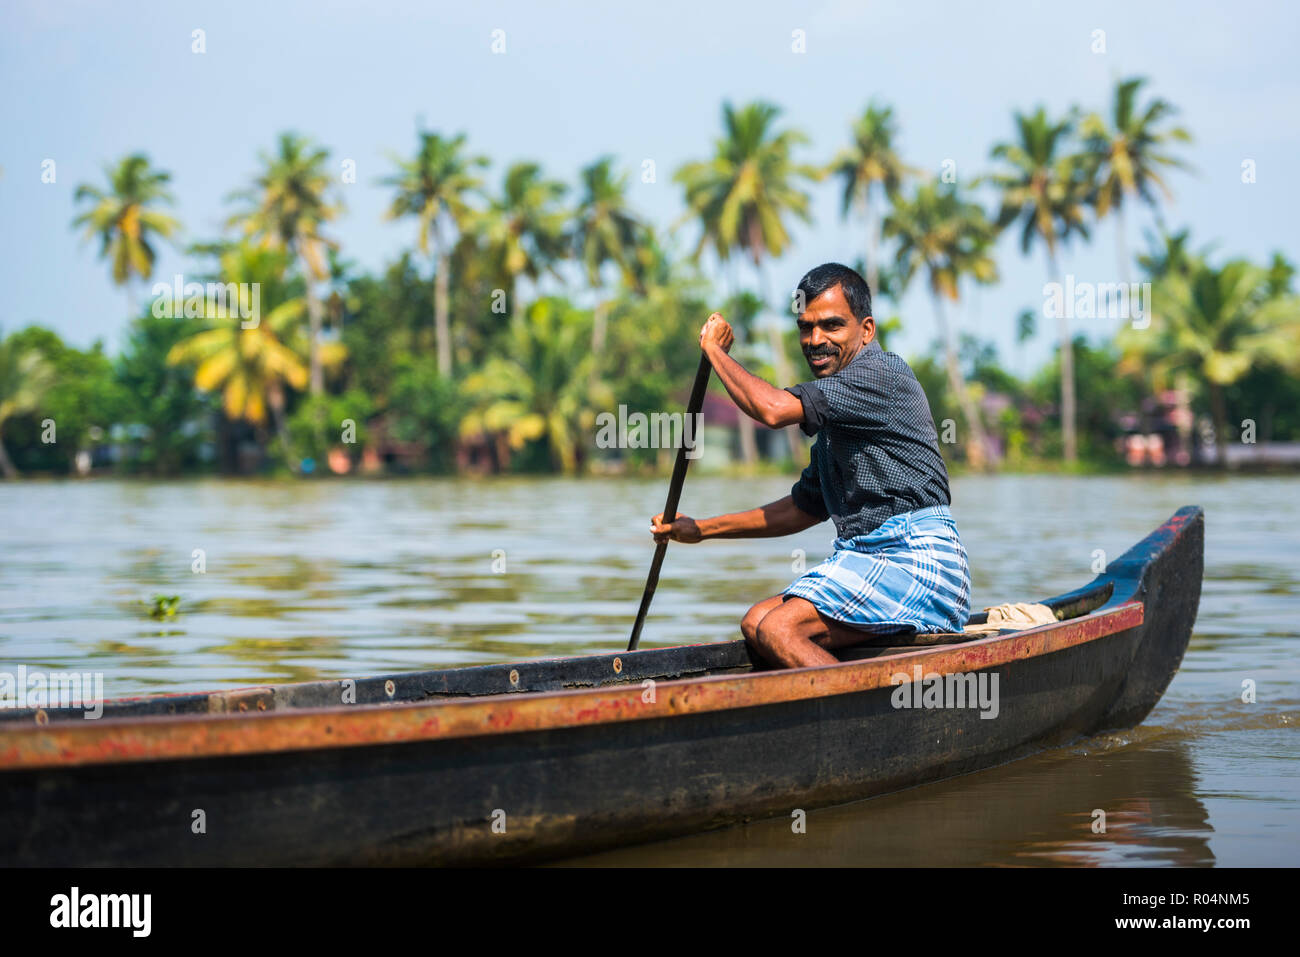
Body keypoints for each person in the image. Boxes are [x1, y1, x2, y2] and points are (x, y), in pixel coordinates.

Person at [651, 262, 970, 668]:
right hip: (865, 557)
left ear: (866, 330)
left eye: (832, 326)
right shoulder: (835, 419)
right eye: (806, 327)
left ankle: (859, 720)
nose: (816, 340)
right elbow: (801, 509)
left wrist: (714, 351)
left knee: (779, 628)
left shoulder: (881, 374)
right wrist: (700, 530)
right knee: (757, 621)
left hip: (918, 559)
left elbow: (770, 409)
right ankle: (833, 688)